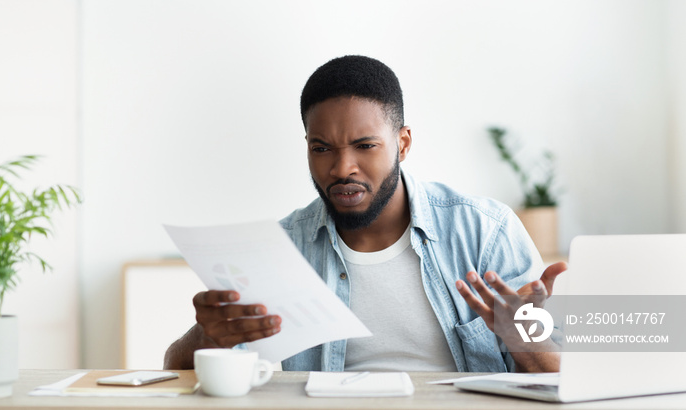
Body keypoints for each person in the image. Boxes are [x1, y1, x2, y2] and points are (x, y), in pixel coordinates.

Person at [164, 55, 567, 373]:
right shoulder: (282, 247)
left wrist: (525, 339)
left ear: (403, 143)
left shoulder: (485, 231)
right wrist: (206, 336)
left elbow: (565, 374)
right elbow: (173, 367)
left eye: (365, 146)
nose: (342, 168)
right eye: (321, 149)